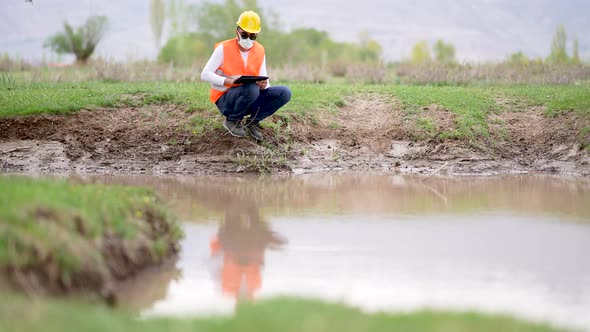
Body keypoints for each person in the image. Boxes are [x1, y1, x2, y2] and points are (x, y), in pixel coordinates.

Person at [201, 10, 292, 141]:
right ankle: (232, 120)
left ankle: (252, 122)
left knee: (284, 92)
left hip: (250, 96)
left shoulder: (260, 50)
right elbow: (205, 74)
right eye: (244, 35)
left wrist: (264, 85)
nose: (248, 39)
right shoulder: (223, 48)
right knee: (251, 88)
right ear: (237, 32)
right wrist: (227, 80)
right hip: (226, 100)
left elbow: (263, 77)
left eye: (252, 36)